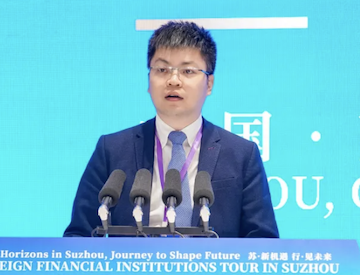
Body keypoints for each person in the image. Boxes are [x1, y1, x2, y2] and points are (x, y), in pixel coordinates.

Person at [64, 21, 279, 238]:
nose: (173, 80)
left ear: (209, 84)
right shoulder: (112, 150)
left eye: (187, 71)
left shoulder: (241, 155)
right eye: (162, 69)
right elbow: (79, 235)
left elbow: (262, 241)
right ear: (149, 80)